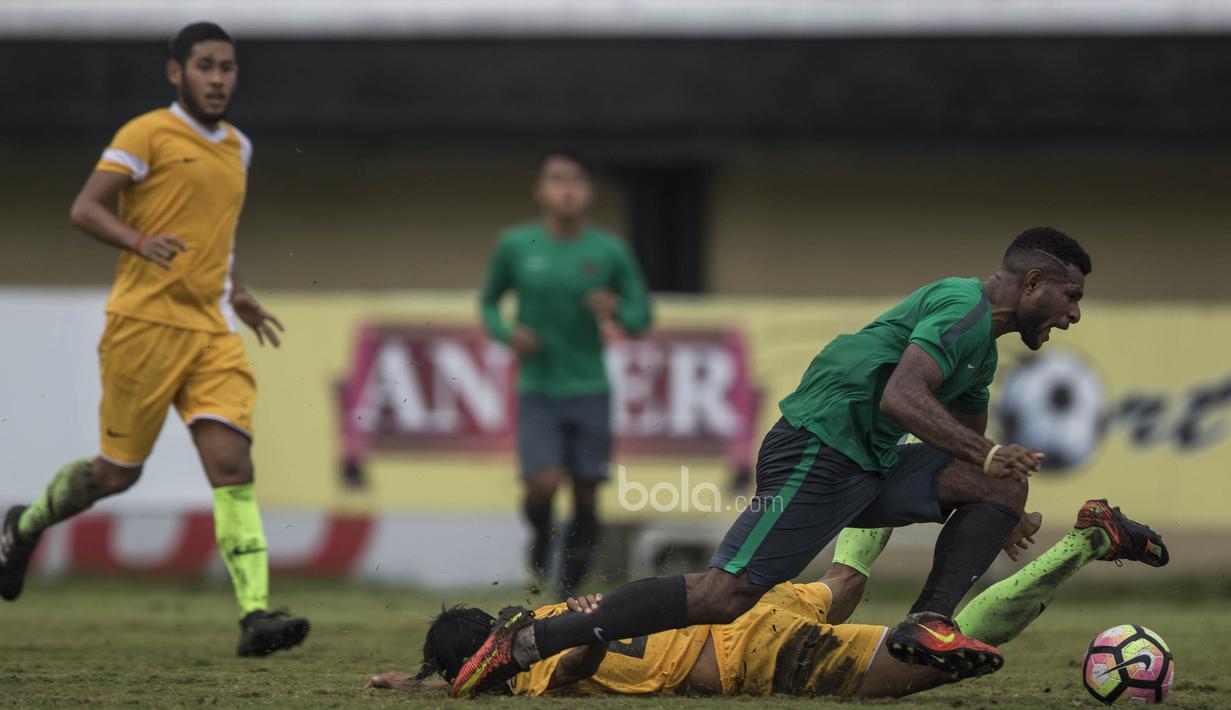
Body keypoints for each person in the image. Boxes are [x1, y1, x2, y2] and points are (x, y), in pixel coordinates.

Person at [452, 227, 1093, 695]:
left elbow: (967, 450)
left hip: (864, 463)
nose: (1074, 313)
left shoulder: (981, 353)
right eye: (1069, 295)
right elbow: (902, 397)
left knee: (1003, 486)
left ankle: (929, 621)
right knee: (723, 595)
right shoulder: (962, 306)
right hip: (817, 447)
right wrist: (989, 455)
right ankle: (528, 643)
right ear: (1032, 283)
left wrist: (997, 500)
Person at [0, 22, 309, 657]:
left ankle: (255, 615)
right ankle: (23, 527)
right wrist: (140, 242)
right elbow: (85, 208)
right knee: (115, 475)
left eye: (227, 67)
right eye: (205, 66)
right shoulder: (146, 133)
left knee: (232, 464)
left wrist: (239, 288)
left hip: (210, 330)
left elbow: (214, 234)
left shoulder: (239, 147)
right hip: (142, 327)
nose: (218, 78)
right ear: (177, 72)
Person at [368, 499, 1167, 698]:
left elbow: (580, 656)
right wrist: (420, 678)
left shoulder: (527, 660)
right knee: (845, 583)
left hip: (742, 652)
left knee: (919, 665)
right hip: (735, 607)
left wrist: (580, 648)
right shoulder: (529, 620)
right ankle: (874, 487)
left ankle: (1084, 542)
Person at [479, 151, 653, 599]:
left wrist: (616, 309)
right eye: (557, 180)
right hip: (538, 386)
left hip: (590, 388)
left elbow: (641, 316)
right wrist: (506, 331)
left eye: (575, 180)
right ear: (540, 190)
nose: (567, 189)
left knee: (587, 492)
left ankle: (567, 594)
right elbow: (488, 303)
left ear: (589, 192)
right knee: (543, 483)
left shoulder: (608, 250)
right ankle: (540, 536)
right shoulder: (516, 245)